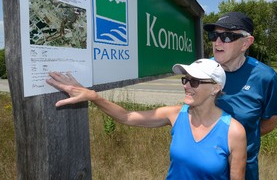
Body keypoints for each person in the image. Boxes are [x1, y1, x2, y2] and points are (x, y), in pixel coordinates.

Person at [47, 58, 247, 180]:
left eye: (194, 81)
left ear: (215, 88)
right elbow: (126, 116)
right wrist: (94, 97)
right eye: (185, 79)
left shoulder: (233, 132)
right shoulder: (176, 115)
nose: (186, 85)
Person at [203, 11, 277, 180]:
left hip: (244, 169)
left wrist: (238, 140)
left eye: (227, 36)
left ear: (246, 43)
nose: (217, 41)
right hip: (202, 166)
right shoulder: (201, 70)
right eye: (214, 35)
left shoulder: (265, 76)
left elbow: (269, 122)